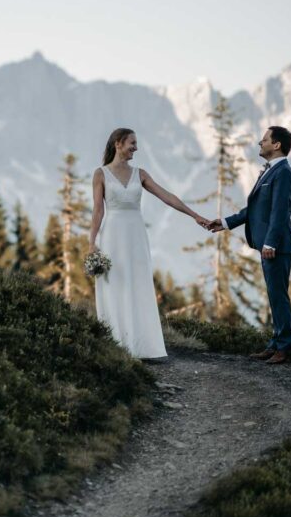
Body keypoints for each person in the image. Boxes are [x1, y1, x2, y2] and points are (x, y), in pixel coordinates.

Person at [89, 128, 211, 359]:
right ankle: (117, 342)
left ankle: (142, 345)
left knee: (138, 283)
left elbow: (168, 196)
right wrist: (92, 243)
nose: (136, 147)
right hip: (112, 236)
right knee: (115, 284)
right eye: (132, 143)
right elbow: (98, 211)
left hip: (135, 235)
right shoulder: (101, 174)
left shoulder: (140, 174)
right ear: (118, 143)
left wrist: (194, 215)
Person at [207, 126, 291, 364]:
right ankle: (275, 343)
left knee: (278, 295)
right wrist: (226, 222)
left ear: (276, 145)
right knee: (274, 294)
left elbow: (280, 212)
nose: (260, 142)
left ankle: (284, 347)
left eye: (265, 139)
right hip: (269, 245)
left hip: (277, 246)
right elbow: (255, 209)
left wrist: (270, 243)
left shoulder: (283, 173)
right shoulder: (270, 172)